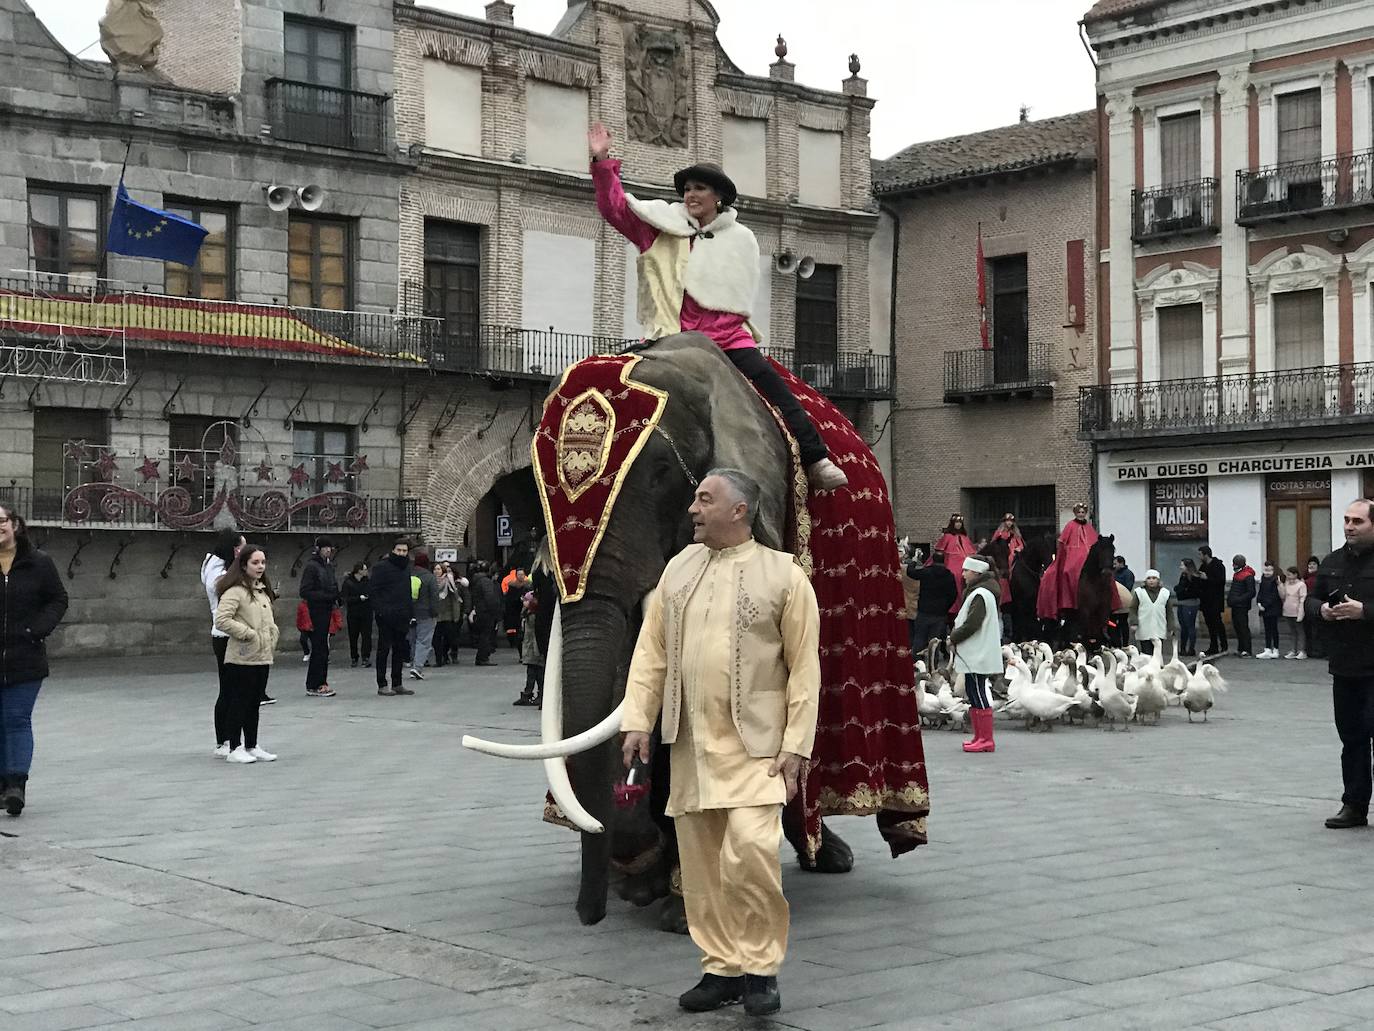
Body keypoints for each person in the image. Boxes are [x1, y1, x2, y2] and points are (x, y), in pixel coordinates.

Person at [621, 468, 819, 1018]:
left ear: (740, 510)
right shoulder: (677, 570)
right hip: (690, 746)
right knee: (702, 866)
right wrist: (638, 718)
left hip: (758, 749)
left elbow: (805, 668)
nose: (693, 509)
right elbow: (651, 652)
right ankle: (721, 969)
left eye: (705, 499)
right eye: (694, 499)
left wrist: (797, 744)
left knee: (752, 852)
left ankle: (761, 969)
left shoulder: (783, 575)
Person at [588, 122, 847, 493]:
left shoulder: (741, 239)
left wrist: (713, 340)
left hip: (727, 342)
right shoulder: (662, 229)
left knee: (778, 391)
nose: (691, 195)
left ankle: (816, 458)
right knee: (606, 376)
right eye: (688, 189)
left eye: (700, 188)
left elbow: (735, 301)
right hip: (670, 339)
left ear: (718, 197)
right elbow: (615, 209)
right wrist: (602, 161)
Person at [0, 504, 68, 816]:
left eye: (1, 521)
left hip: (25, 656)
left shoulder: (38, 562)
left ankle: (16, 784)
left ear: (15, 524)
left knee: (16, 719)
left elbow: (58, 599)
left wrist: (37, 630)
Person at [1315, 500, 1374, 829]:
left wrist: (1364, 612)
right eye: (1346, 520)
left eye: (1358, 521)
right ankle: (1354, 805)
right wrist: (1321, 610)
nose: (1349, 526)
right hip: (1345, 667)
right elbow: (1312, 599)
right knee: (1351, 739)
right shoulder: (1332, 561)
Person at [213, 546, 281, 764]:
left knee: (254, 702)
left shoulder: (261, 590)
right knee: (238, 701)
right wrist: (248, 634)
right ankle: (234, 746)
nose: (260, 566)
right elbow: (222, 619)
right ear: (244, 565)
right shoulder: (235, 591)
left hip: (262, 655)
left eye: (262, 562)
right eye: (255, 562)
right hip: (242, 656)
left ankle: (252, 744)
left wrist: (271, 635)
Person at [949, 556, 1002, 754]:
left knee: (978, 692)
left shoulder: (980, 594)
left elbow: (972, 623)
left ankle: (986, 739)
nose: (962, 574)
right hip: (976, 652)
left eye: (966, 570)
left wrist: (954, 636)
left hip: (978, 652)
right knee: (974, 691)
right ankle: (980, 736)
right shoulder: (982, 592)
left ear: (976, 572)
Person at [203, 529, 246, 757]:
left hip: (227, 632)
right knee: (229, 690)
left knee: (233, 689)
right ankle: (225, 741)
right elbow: (218, 589)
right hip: (223, 633)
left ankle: (230, 739)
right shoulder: (218, 569)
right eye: (240, 548)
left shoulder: (218, 564)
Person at [369, 538, 416, 696]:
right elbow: (373, 591)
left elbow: (407, 592)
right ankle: (382, 684)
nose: (402, 554)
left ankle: (397, 683)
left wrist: (410, 613)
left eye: (404, 551)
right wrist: (381, 611)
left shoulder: (406, 568)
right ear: (393, 551)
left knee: (399, 650)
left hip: (402, 615)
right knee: (384, 650)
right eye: (399, 550)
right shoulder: (381, 567)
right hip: (386, 615)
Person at [299, 535, 339, 698]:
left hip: (327, 610)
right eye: (325, 548)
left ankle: (322, 681)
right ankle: (314, 684)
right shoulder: (312, 567)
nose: (328, 550)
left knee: (324, 649)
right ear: (318, 549)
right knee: (319, 649)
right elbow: (305, 591)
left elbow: (332, 585)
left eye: (330, 548)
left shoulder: (328, 566)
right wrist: (326, 596)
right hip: (316, 611)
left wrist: (337, 596)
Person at [1046, 504, 1100, 621]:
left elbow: (1095, 543)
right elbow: (1062, 542)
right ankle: (1070, 600)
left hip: (1088, 555)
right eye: (1079, 512)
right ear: (1075, 513)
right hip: (1073, 555)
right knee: (1068, 571)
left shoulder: (1089, 527)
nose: (1081, 514)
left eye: (1083, 512)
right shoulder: (1070, 525)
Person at [908, 549, 957, 655]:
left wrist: (914, 560)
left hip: (924, 611)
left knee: (919, 638)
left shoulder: (926, 572)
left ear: (932, 560)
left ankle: (916, 662)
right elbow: (954, 594)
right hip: (940, 614)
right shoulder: (949, 576)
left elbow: (910, 572)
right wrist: (945, 607)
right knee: (935, 641)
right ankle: (933, 665)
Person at [932, 514, 977, 616]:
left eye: (960, 523)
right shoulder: (947, 536)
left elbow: (972, 552)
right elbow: (940, 550)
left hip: (965, 565)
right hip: (952, 564)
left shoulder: (965, 537)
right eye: (956, 522)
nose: (958, 525)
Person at [408, 551, 440, 682]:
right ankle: (418, 667)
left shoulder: (408, 574)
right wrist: (435, 612)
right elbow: (434, 597)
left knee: (413, 640)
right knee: (424, 641)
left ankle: (413, 662)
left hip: (410, 613)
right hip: (426, 613)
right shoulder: (429, 577)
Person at [1128, 569, 1177, 655]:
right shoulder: (1139, 592)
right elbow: (1133, 608)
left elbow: (1169, 612)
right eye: (1149, 578)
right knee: (1146, 653)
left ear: (1158, 580)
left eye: (1154, 578)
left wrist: (1171, 627)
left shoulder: (1165, 593)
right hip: (1144, 627)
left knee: (1157, 653)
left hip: (1159, 626)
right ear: (1145, 580)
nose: (1151, 580)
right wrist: (1134, 622)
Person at [514, 589, 545, 707]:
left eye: (526, 600)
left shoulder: (533, 615)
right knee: (532, 671)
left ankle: (536, 694)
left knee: (537, 673)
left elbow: (535, 634)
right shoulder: (527, 613)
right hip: (530, 646)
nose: (524, 602)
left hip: (534, 647)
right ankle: (529, 693)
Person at [1198, 545, 1229, 655]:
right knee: (1210, 624)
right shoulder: (1203, 566)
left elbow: (1220, 581)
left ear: (1206, 554)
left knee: (1217, 623)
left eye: (1200, 554)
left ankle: (1224, 645)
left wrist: (1207, 578)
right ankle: (1213, 645)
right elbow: (1200, 582)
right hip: (1205, 600)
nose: (1199, 557)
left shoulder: (1218, 566)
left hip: (1215, 600)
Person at [470, 562, 502, 666]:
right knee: (486, 635)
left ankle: (481, 657)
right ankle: (483, 657)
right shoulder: (486, 582)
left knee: (483, 635)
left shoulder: (477, 580)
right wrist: (495, 610)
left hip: (481, 611)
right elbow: (490, 598)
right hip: (487, 612)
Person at [342, 561, 372, 668]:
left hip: (366, 612)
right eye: (365, 569)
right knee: (353, 636)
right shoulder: (348, 582)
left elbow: (372, 593)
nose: (366, 571)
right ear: (359, 571)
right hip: (353, 613)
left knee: (366, 636)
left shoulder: (367, 581)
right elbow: (345, 598)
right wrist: (358, 598)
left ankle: (366, 657)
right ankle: (354, 657)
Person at [1227, 554, 1257, 658]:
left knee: (1243, 627)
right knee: (1237, 627)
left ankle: (1247, 650)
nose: (1233, 566)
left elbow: (1251, 592)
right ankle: (1241, 648)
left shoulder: (1248, 576)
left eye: (1234, 564)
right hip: (1236, 605)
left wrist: (1238, 599)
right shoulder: (1238, 574)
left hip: (1242, 606)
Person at [1174, 559, 1203, 657]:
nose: (1180, 567)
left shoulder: (1194, 578)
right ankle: (1182, 648)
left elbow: (1194, 592)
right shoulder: (1183, 576)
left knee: (1190, 626)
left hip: (1190, 604)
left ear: (1187, 566)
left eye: (1182, 565)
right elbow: (1179, 588)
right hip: (1182, 602)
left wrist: (1182, 591)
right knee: (1183, 626)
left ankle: (1191, 649)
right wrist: (1180, 590)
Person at [1256, 561, 1283, 659]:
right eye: (1265, 570)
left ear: (1273, 571)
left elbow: (1274, 595)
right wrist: (1258, 602)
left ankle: (1276, 649)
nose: (1267, 572)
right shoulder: (1263, 579)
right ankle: (1267, 648)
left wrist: (1265, 605)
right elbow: (1260, 592)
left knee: (1274, 629)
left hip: (1273, 608)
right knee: (1267, 629)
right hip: (1264, 608)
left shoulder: (1275, 580)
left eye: (1269, 570)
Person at [898, 543, 921, 656]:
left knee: (909, 633)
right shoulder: (921, 569)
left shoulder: (902, 570)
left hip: (906, 605)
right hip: (917, 606)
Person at [1280, 565, 1307, 660]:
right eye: (1287, 575)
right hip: (1288, 610)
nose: (1288, 576)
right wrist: (1280, 586)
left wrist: (1301, 611)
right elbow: (1283, 596)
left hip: (1297, 610)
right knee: (1292, 632)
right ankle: (1293, 650)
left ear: (1295, 574)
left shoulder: (1301, 585)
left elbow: (1303, 598)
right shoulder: (1286, 584)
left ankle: (1302, 650)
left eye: (1290, 574)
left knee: (1300, 631)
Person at [1304, 555, 1328, 660]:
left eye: (1314, 564)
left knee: (1318, 630)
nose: (1311, 566)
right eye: (1310, 564)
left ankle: (1320, 650)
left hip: (1317, 605)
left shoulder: (1320, 577)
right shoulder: (1304, 577)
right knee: (1308, 629)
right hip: (1305, 605)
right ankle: (1310, 650)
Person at [503, 568, 532, 651]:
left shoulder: (528, 585)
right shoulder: (512, 585)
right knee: (515, 629)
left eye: (522, 574)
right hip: (514, 610)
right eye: (519, 575)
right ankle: (514, 642)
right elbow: (509, 599)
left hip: (525, 610)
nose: (521, 576)